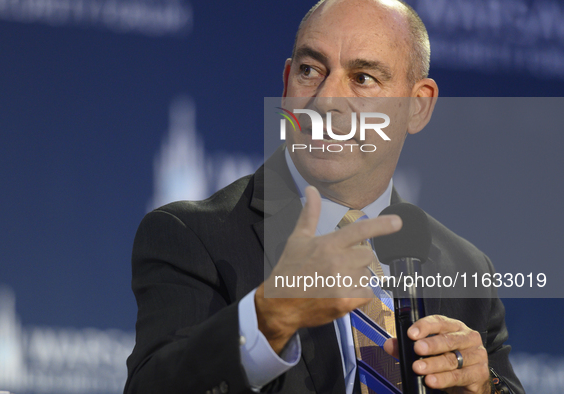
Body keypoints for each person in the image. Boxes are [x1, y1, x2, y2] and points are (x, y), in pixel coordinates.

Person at [124, 0, 524, 393]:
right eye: (310, 70)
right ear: (286, 86)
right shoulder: (193, 237)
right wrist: (272, 316)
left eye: (363, 78)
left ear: (418, 106)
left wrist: (483, 387)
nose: (327, 99)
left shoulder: (466, 267)